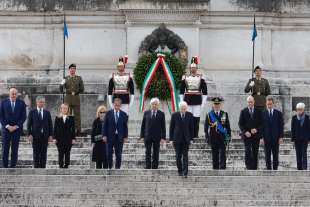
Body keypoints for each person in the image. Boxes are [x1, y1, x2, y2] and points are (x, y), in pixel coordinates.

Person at [179, 56, 207, 139]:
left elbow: (205, 93)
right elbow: (181, 92)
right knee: (188, 119)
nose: (193, 69)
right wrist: (181, 102)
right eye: (192, 68)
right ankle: (188, 135)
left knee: (196, 119)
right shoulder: (185, 78)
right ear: (190, 68)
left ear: (197, 68)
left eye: (194, 68)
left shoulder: (201, 78)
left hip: (197, 101)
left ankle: (195, 135)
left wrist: (203, 103)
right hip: (187, 101)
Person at [0, 87, 26, 168]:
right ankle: (5, 166)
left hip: (16, 129)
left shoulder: (21, 103)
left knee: (15, 149)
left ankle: (13, 166)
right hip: (6, 129)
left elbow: (23, 117)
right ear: (9, 94)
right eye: (12, 93)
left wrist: (16, 126)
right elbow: (1, 116)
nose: (14, 95)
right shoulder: (3, 103)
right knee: (5, 148)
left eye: (15, 94)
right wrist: (7, 126)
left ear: (17, 94)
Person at [169, 101, 194, 178]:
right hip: (177, 139)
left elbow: (192, 128)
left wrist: (191, 138)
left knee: (185, 156)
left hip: (186, 139)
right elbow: (171, 128)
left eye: (184, 108)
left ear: (186, 108)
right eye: (182, 108)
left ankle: (185, 172)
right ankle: (180, 170)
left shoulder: (190, 115)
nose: (183, 110)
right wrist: (171, 139)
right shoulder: (174, 115)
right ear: (179, 108)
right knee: (178, 156)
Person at [204, 97, 231, 170]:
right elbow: (206, 128)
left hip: (222, 137)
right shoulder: (209, 115)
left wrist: (229, 137)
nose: (216, 105)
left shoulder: (224, 114)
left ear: (220, 105)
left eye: (218, 104)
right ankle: (215, 169)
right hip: (213, 137)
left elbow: (228, 126)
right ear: (213, 105)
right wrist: (207, 137)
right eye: (215, 104)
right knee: (214, 154)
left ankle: (222, 169)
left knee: (223, 154)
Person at [27, 96, 53, 168]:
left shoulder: (47, 112)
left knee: (44, 153)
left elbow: (50, 124)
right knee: (36, 153)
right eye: (41, 102)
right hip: (35, 136)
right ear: (37, 102)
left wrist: (50, 135)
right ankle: (36, 168)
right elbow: (29, 124)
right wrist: (29, 134)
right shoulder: (32, 112)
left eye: (43, 102)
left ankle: (42, 167)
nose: (42, 103)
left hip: (45, 136)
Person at [140, 97, 166, 169]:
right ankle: (148, 166)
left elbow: (163, 127)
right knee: (147, 152)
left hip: (157, 136)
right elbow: (143, 125)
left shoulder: (161, 114)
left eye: (156, 104)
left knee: (156, 152)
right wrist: (142, 136)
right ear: (150, 105)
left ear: (158, 105)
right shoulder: (146, 113)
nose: (154, 105)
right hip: (147, 136)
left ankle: (155, 166)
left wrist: (163, 137)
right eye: (153, 104)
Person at [238, 95, 263, 170]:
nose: (250, 103)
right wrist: (245, 132)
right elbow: (240, 124)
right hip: (247, 135)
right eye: (248, 102)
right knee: (247, 150)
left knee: (255, 151)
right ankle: (248, 167)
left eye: (251, 102)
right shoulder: (243, 111)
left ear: (254, 102)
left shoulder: (258, 111)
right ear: (247, 102)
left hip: (256, 135)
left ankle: (254, 167)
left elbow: (261, 123)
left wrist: (257, 129)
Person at [103, 98, 128, 169]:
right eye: (115, 105)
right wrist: (104, 135)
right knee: (109, 154)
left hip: (119, 137)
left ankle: (117, 169)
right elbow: (105, 125)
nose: (117, 106)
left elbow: (125, 126)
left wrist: (125, 137)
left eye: (118, 105)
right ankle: (110, 167)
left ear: (120, 105)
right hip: (109, 137)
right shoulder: (108, 113)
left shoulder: (124, 114)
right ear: (113, 104)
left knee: (119, 155)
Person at [60, 63, 84, 135]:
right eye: (71, 69)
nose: (72, 70)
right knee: (67, 115)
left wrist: (76, 92)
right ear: (69, 70)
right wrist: (63, 88)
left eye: (74, 69)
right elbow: (60, 88)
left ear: (75, 70)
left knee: (77, 116)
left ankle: (78, 131)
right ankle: (68, 129)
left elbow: (82, 89)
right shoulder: (65, 78)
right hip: (68, 98)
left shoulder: (79, 78)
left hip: (76, 98)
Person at [262, 96, 284, 170]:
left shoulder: (279, 114)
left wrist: (281, 137)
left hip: (276, 138)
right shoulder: (263, 114)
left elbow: (281, 126)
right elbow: (261, 127)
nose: (269, 105)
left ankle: (275, 169)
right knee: (267, 156)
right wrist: (261, 137)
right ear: (266, 104)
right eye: (268, 104)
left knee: (275, 155)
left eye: (270, 104)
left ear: (273, 104)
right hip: (266, 138)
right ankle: (268, 170)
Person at [53, 103, 76, 168]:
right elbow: (55, 128)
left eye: (66, 108)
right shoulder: (57, 118)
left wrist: (73, 138)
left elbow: (73, 129)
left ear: (68, 109)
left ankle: (66, 164)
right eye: (63, 108)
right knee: (60, 152)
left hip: (68, 138)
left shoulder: (71, 118)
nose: (64, 110)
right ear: (61, 109)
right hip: (59, 138)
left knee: (67, 152)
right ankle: (60, 164)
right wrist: (54, 138)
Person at [291, 102, 310, 170]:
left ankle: (304, 167)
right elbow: (292, 129)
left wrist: (308, 139)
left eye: (301, 109)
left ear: (303, 109)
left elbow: (308, 129)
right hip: (296, 139)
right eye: (298, 109)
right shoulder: (294, 118)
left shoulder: (307, 118)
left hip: (304, 139)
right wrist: (292, 140)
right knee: (298, 154)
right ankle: (299, 167)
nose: (299, 111)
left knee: (304, 153)